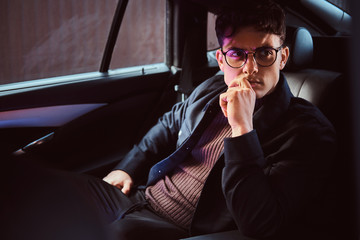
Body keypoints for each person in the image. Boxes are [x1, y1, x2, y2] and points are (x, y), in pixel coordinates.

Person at [15, 0, 334, 239]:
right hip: (140, 197)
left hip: (184, 228)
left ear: (283, 56)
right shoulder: (211, 87)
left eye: (264, 53)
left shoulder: (308, 132)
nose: (250, 69)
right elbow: (168, 124)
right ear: (221, 60)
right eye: (237, 54)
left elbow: (259, 221)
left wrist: (242, 129)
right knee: (39, 192)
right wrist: (127, 167)